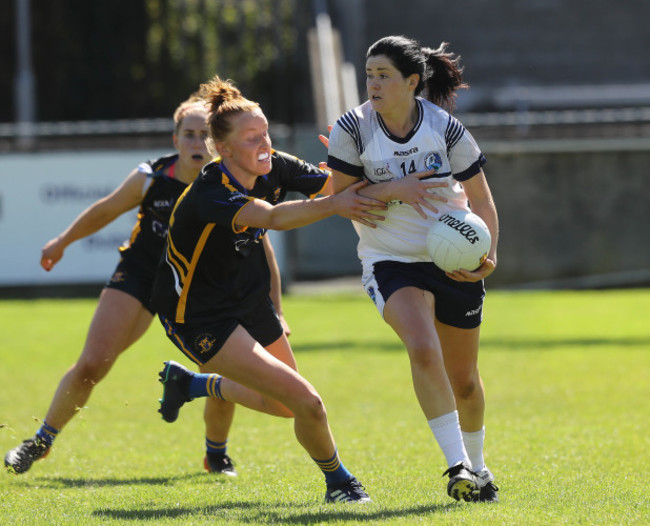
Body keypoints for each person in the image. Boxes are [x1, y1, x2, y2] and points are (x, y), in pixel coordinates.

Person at [3, 95, 287, 477]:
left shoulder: (230, 186)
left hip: (201, 291)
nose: (195, 144)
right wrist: (61, 242)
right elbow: (106, 209)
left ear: (218, 144)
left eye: (204, 135)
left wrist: (277, 311)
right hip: (141, 275)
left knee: (223, 371)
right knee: (91, 363)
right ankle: (39, 442)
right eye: (188, 135)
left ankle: (215, 453)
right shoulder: (152, 178)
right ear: (175, 141)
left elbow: (262, 249)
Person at [151, 75, 386, 503]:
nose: (264, 145)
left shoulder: (272, 162)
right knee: (307, 401)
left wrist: (351, 159)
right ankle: (341, 484)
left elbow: (333, 184)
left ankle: (193, 385)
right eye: (251, 138)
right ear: (222, 150)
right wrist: (334, 205)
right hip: (199, 315)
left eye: (266, 134)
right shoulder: (210, 192)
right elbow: (274, 218)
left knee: (282, 404)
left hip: (247, 297)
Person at [322, 35, 500, 503]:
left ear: (412, 81)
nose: (373, 84)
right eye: (369, 75)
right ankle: (456, 464)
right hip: (390, 259)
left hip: (454, 256)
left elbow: (480, 199)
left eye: (383, 75)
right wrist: (395, 188)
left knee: (464, 379)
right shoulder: (353, 128)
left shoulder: (445, 127)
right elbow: (339, 202)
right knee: (423, 349)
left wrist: (489, 256)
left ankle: (480, 469)